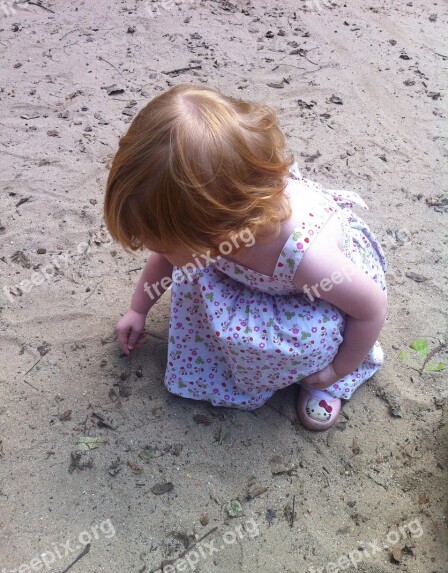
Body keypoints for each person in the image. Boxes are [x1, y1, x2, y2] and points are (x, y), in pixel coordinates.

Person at [103, 83, 387, 431]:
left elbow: (370, 308)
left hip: (306, 295)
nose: (157, 253)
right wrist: (138, 308)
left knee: (314, 335)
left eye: (163, 245)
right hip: (251, 276)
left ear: (219, 232)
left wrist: (336, 370)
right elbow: (165, 260)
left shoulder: (310, 260)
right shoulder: (211, 232)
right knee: (190, 274)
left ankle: (323, 382)